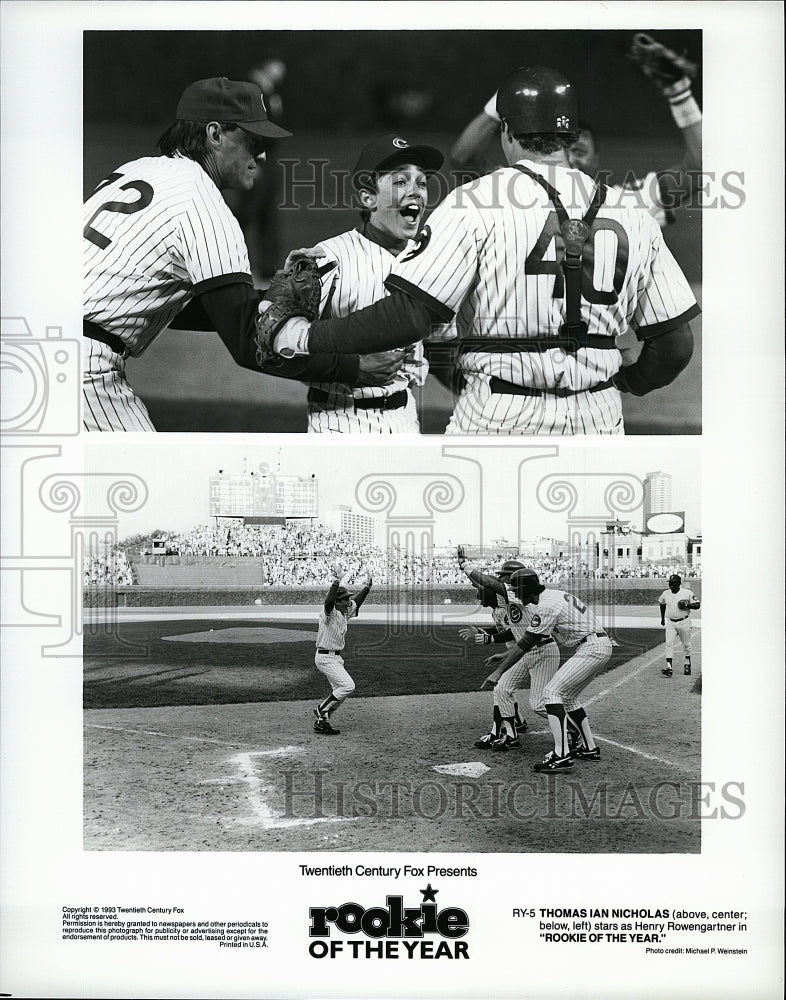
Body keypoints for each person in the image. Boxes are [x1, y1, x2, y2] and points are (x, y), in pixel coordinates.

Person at [265, 65, 700, 436]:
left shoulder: (474, 201)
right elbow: (675, 346)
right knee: (589, 535)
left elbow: (408, 315)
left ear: (508, 132)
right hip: (598, 418)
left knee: (475, 536)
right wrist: (626, 380)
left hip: (496, 418)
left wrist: (306, 336)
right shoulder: (633, 212)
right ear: (567, 136)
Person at [82, 76, 402, 431]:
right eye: (253, 140)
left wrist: (270, 302)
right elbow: (251, 342)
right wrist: (352, 367)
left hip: (36, 337)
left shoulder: (134, 170)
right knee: (156, 481)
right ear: (215, 134)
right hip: (81, 368)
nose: (262, 154)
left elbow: (173, 307)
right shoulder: (200, 201)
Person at [450, 32, 702, 230]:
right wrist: (503, 100)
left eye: (580, 150)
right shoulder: (519, 190)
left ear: (597, 160)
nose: (570, 157)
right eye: (563, 148)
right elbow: (464, 159)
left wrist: (679, 92)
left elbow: (699, 170)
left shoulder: (623, 201)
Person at [306, 134, 444, 432]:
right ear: (368, 198)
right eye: (400, 183)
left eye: (421, 183)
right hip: (338, 420)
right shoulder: (330, 257)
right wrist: (351, 366)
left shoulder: (430, 258)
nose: (416, 192)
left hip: (406, 417)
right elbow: (287, 346)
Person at [484, 569, 613, 773]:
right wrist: (504, 656)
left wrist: (499, 672)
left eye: (518, 590)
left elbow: (526, 643)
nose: (516, 595)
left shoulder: (546, 605)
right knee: (568, 698)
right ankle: (589, 748)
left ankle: (561, 755)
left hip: (592, 647)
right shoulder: (551, 596)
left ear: (527, 589)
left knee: (551, 693)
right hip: (595, 644)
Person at [312, 564, 372, 735]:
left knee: (340, 691)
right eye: (345, 599)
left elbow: (356, 603)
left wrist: (367, 587)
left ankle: (322, 723)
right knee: (348, 686)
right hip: (325, 657)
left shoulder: (344, 613)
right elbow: (329, 602)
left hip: (335, 658)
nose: (348, 601)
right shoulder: (328, 613)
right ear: (337, 601)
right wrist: (337, 581)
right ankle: (321, 709)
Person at [658, 573, 701, 677]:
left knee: (686, 644)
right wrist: (662, 618)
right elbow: (662, 604)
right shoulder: (665, 593)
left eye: (673, 583)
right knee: (668, 643)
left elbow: (697, 605)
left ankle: (687, 662)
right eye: (670, 583)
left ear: (679, 583)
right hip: (671, 622)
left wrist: (687, 605)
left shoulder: (687, 593)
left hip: (684, 621)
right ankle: (669, 667)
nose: (671, 585)